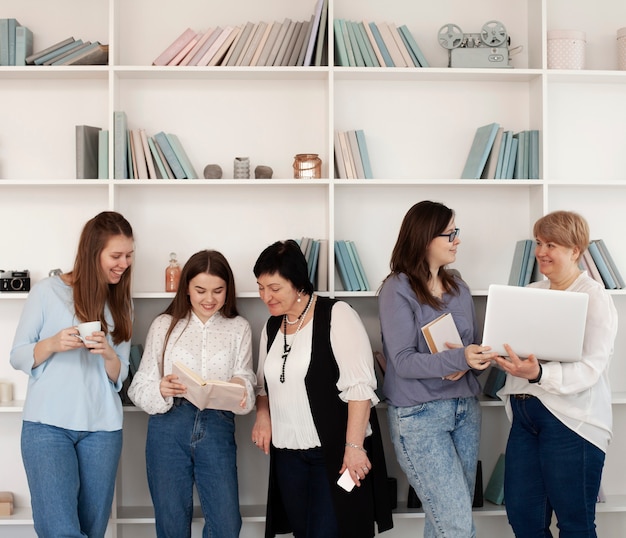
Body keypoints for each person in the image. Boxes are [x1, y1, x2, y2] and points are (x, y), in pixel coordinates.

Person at [251, 239, 393, 538]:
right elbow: (263, 384)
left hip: (332, 455)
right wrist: (263, 416)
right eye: (261, 287)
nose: (266, 296)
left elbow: (360, 389)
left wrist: (354, 448)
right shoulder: (272, 326)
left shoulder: (336, 315)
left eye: (274, 288)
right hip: (287, 455)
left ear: (298, 283)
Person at [10, 211, 134, 538]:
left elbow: (118, 375)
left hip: (103, 430)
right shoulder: (46, 291)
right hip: (47, 427)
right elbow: (18, 355)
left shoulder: (120, 301)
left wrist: (108, 352)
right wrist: (52, 343)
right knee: (59, 531)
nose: (124, 263)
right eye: (116, 256)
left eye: (129, 256)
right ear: (94, 252)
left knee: (92, 531)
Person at [495, 210, 618, 537]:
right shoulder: (531, 290)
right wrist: (490, 354)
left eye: (551, 244)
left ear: (575, 251)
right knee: (523, 519)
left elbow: (592, 367)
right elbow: (517, 351)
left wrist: (539, 375)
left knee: (575, 524)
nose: (540, 252)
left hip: (571, 421)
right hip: (525, 415)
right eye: (538, 243)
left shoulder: (593, 296)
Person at [378, 200, 495, 538]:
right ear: (426, 238)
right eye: (450, 233)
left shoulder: (459, 289)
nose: (457, 240)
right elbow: (402, 361)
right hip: (419, 416)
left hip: (465, 410)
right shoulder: (396, 288)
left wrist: (474, 360)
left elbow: (471, 349)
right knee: (456, 524)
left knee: (442, 519)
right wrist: (460, 359)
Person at [128, 249, 255, 538]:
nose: (209, 299)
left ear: (228, 290)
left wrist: (240, 384)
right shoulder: (164, 324)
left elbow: (247, 382)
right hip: (168, 427)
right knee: (171, 523)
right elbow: (138, 387)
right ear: (186, 287)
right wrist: (161, 388)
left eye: (218, 291)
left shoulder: (239, 328)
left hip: (218, 425)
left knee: (227, 525)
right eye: (200, 290)